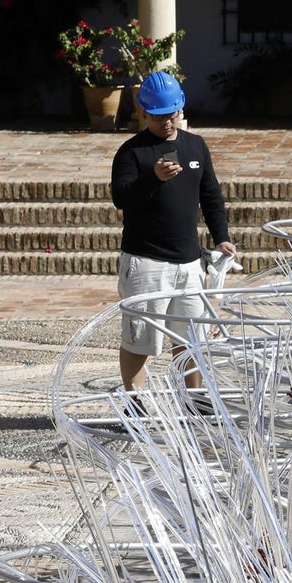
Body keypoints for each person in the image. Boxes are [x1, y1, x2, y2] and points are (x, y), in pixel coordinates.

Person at [110, 70, 237, 394]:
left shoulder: (195, 146)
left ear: (180, 110)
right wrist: (153, 177)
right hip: (147, 261)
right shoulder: (132, 152)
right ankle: (135, 402)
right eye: (158, 117)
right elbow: (120, 197)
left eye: (172, 115)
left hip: (189, 262)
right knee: (141, 339)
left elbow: (210, 195)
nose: (166, 123)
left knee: (191, 339)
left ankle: (193, 400)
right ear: (143, 113)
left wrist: (220, 236)